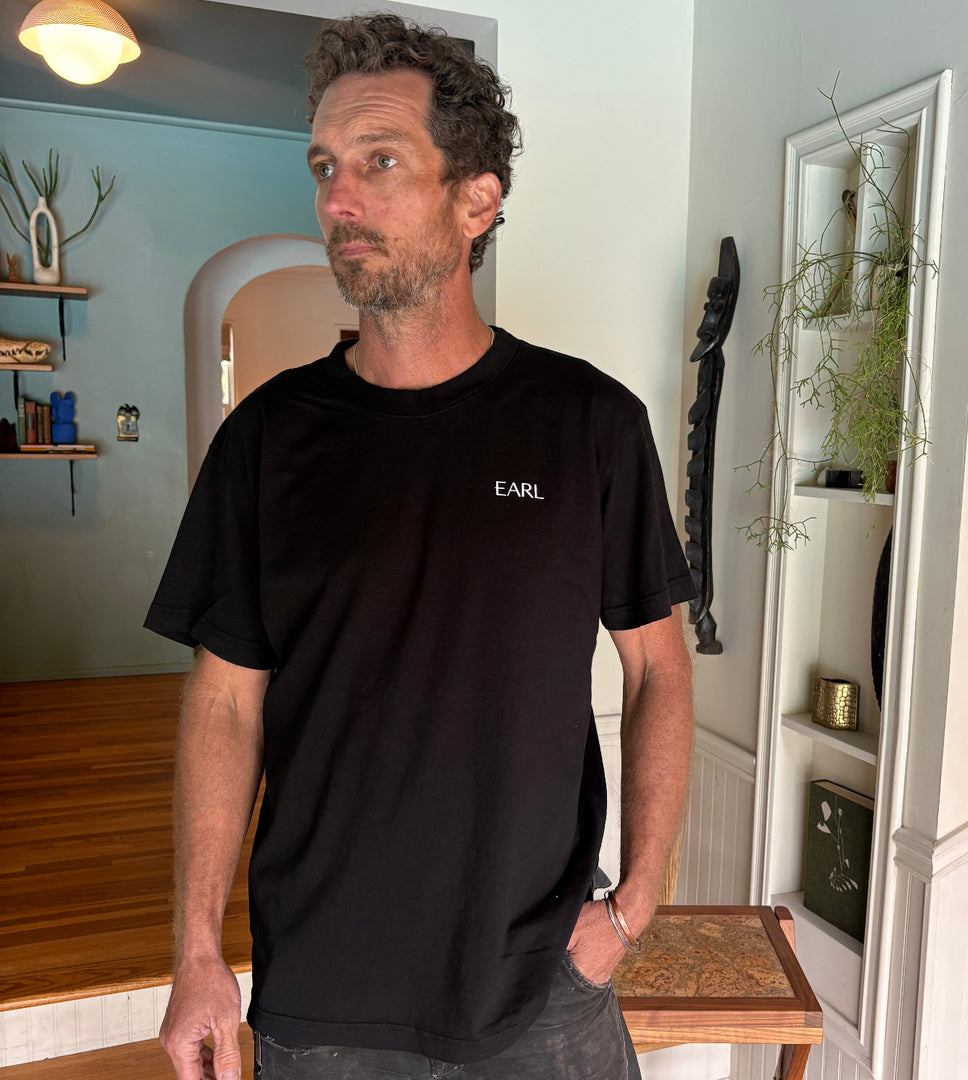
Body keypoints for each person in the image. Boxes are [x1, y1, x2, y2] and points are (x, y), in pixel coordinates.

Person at [146, 13, 695, 1080]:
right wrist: (197, 953)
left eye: (380, 161)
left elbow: (658, 666)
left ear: (477, 200)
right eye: (324, 167)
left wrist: (635, 903)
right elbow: (224, 702)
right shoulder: (267, 440)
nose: (337, 200)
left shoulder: (589, 425)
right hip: (326, 986)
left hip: (540, 978)